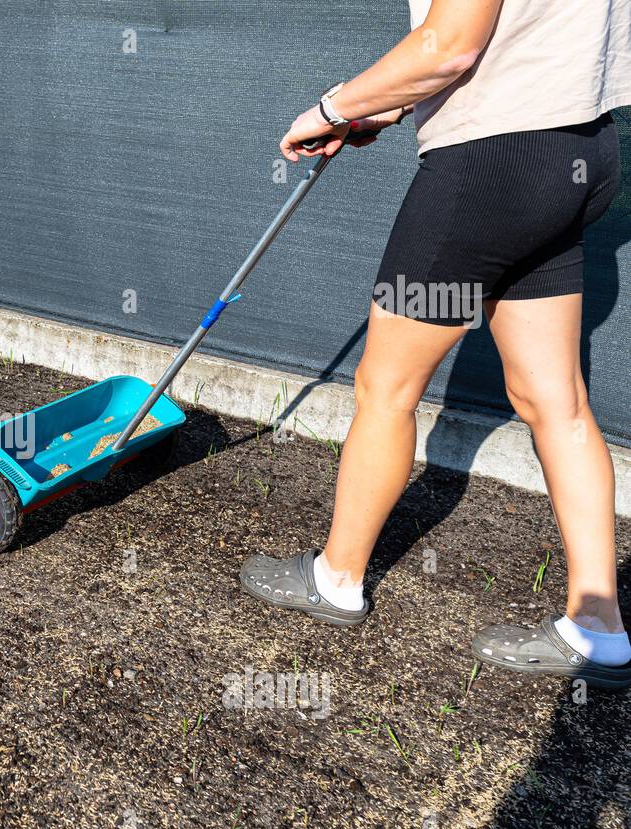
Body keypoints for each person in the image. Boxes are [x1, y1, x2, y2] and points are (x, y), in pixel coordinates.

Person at [240, 0, 631, 688]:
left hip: (491, 171)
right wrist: (384, 108)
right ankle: (598, 630)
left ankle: (337, 577)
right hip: (579, 156)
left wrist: (334, 108)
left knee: (385, 388)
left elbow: (449, 46)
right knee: (555, 400)